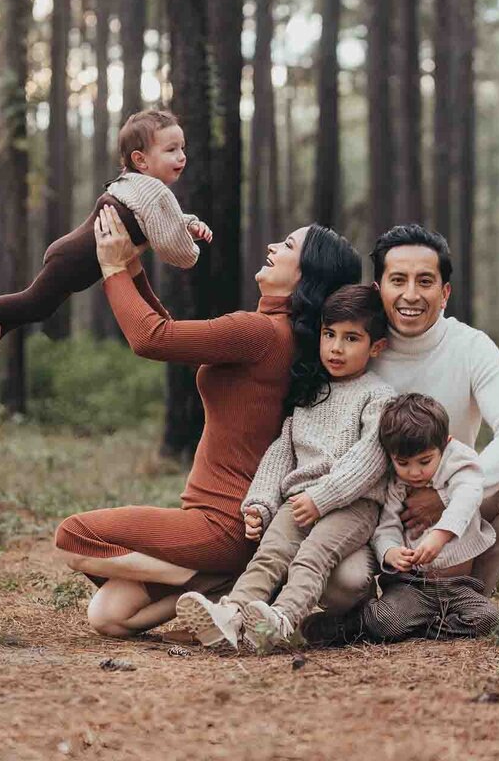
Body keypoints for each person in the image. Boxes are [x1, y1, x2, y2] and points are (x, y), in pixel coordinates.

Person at [53, 213, 364, 639]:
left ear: (307, 275)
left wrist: (111, 268)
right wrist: (133, 268)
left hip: (222, 523)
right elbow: (169, 330)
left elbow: (152, 338)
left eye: (288, 246)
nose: (273, 247)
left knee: (73, 537)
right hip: (232, 521)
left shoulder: (259, 332)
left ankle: (204, 577)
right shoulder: (292, 338)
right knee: (108, 616)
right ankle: (216, 583)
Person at [326, 223, 499, 610]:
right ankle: (386, 605)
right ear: (378, 288)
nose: (410, 295)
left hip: (457, 503)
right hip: (375, 509)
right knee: (344, 588)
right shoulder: (356, 347)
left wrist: (446, 494)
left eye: (425, 282)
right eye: (398, 280)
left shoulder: (470, 347)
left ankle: (461, 596)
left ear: (445, 293)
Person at [177, 285, 395, 651]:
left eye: (351, 338)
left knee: (312, 558)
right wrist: (260, 503)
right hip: (299, 500)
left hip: (353, 505)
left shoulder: (379, 395)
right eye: (330, 335)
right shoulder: (312, 393)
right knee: (269, 554)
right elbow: (282, 452)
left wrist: (322, 497)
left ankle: (281, 619)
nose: (336, 348)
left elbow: (370, 459)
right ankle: (229, 615)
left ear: (376, 347)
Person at [0, 109, 211, 376]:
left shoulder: (133, 183)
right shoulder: (155, 190)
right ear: (141, 159)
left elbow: (162, 220)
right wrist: (191, 248)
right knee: (34, 301)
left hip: (73, 255)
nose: (182, 156)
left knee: (41, 306)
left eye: (182, 148)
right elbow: (175, 251)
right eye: (171, 149)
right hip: (76, 259)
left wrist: (187, 224)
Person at [306, 393, 499, 646]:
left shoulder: (459, 461)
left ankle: (420, 628)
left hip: (457, 586)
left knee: (488, 618)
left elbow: (468, 496)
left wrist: (440, 535)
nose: (415, 472)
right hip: (412, 585)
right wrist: (390, 552)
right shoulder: (397, 483)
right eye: (403, 463)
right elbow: (386, 527)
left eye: (424, 461)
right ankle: (351, 624)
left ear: (445, 443)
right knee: (386, 621)